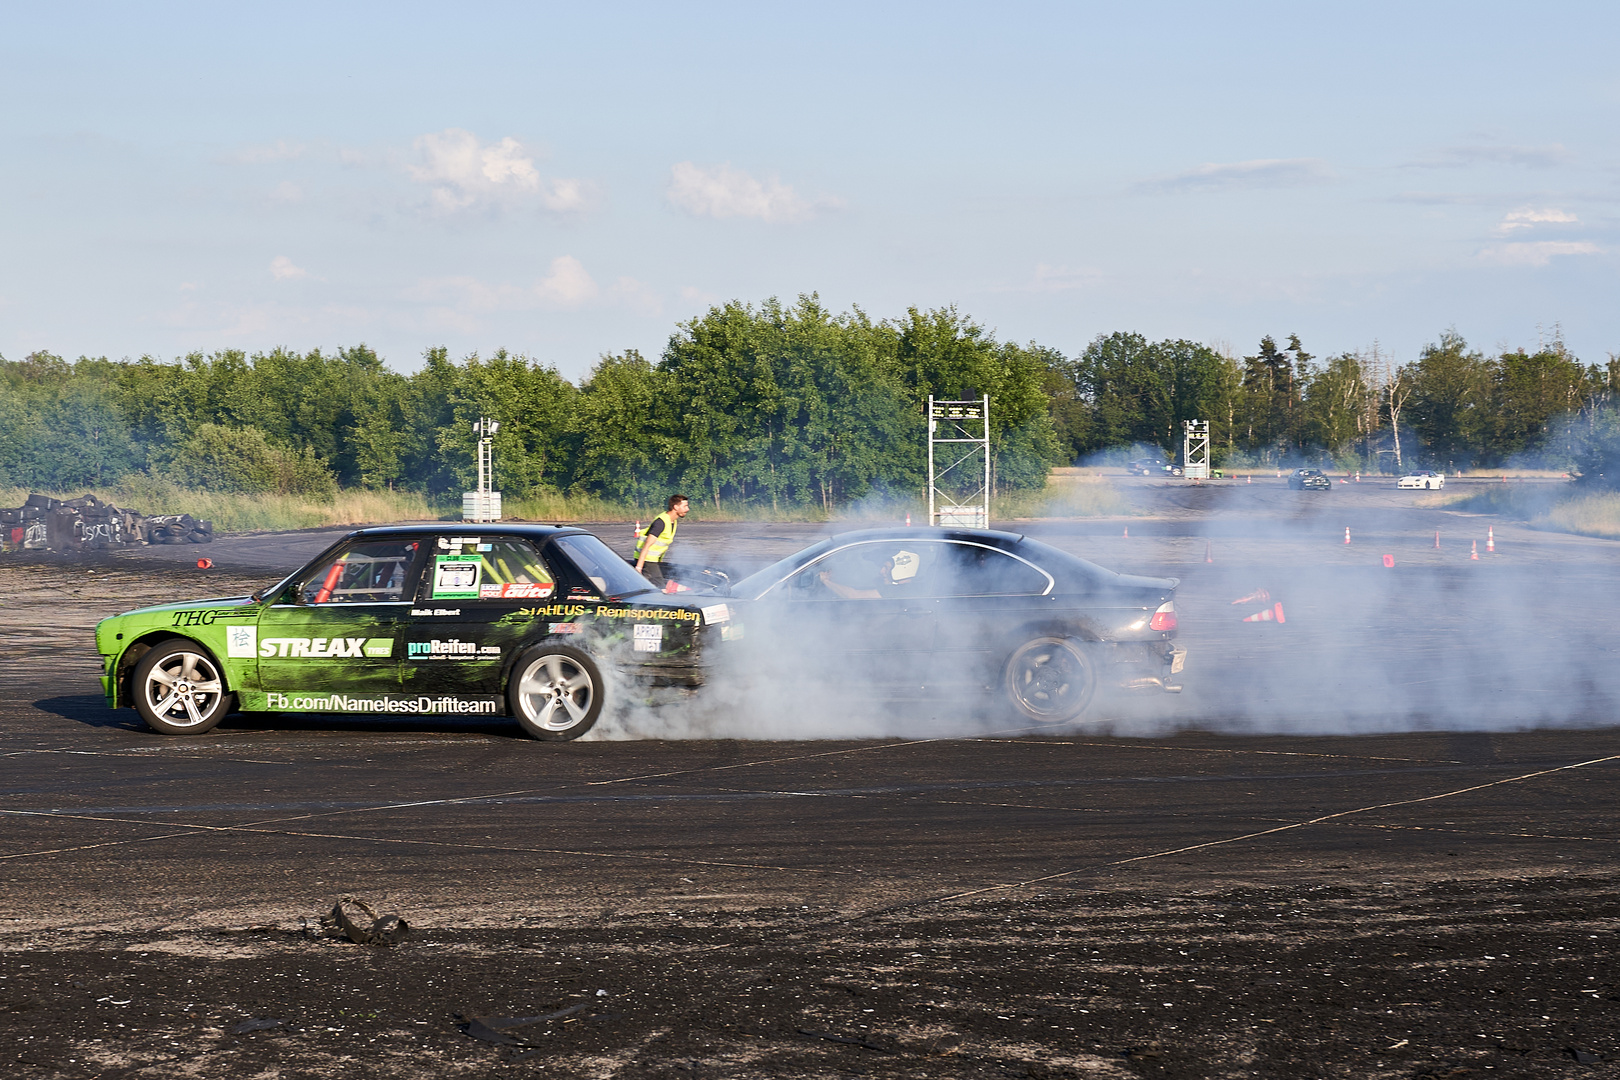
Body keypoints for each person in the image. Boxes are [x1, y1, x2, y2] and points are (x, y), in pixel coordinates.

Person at [817, 547, 920, 599]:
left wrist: (825, 581)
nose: (881, 571)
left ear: (903, 568)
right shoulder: (909, 588)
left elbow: (854, 596)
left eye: (886, 567)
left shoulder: (897, 591)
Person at [634, 494, 689, 588]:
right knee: (660, 587)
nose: (687, 509)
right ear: (675, 507)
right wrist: (638, 568)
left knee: (650, 585)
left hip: (653, 560)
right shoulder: (661, 522)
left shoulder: (672, 521)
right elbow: (647, 545)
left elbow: (661, 544)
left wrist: (660, 560)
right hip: (647, 559)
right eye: (685, 506)